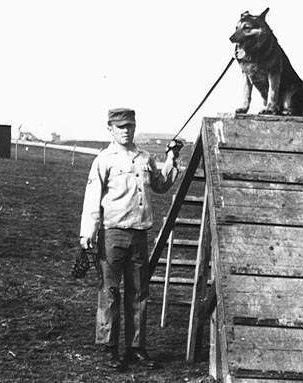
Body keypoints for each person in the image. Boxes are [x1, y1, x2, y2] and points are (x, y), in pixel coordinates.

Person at [79, 108, 182, 369]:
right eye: (121, 126)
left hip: (139, 235)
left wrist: (171, 157)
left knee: (138, 294)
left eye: (130, 126)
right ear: (110, 129)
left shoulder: (144, 158)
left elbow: (160, 185)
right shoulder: (104, 159)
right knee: (110, 292)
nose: (126, 130)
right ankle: (108, 348)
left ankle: (136, 348)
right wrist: (88, 233)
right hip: (112, 234)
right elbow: (92, 198)